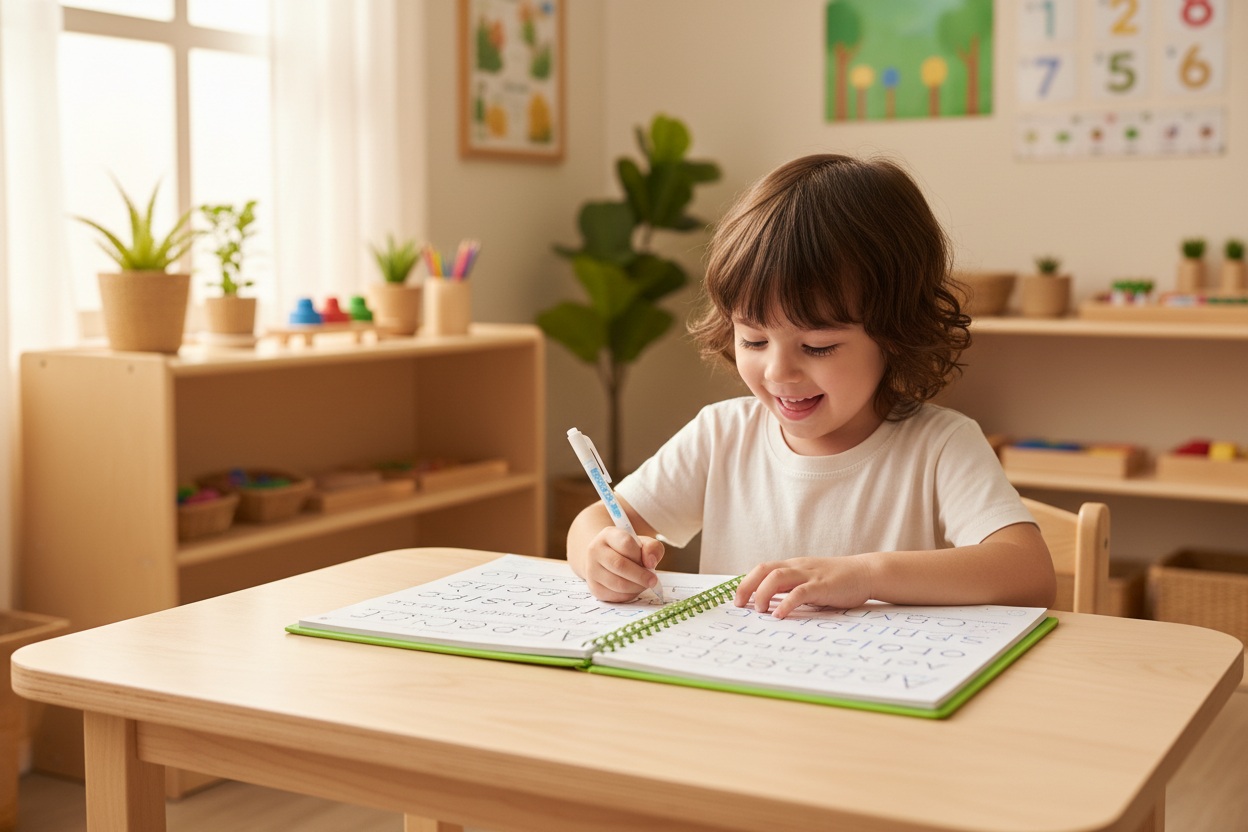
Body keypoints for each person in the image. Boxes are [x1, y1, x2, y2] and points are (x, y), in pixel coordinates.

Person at [566, 153, 1056, 618]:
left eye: (818, 346)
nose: (779, 372)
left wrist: (866, 574)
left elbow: (1029, 573)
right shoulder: (721, 435)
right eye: (754, 340)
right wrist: (600, 556)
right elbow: (594, 521)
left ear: (897, 333)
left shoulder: (939, 445)